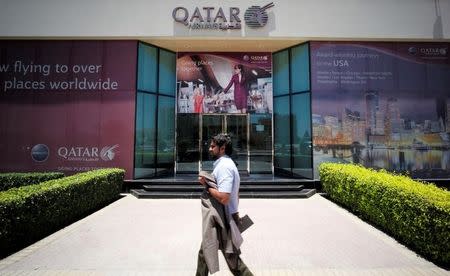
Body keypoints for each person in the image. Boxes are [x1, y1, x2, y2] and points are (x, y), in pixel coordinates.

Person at [196, 133, 253, 276]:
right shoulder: (226, 165)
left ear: (222, 148)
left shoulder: (225, 167)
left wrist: (207, 186)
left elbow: (224, 198)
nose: (209, 149)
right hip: (224, 216)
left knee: (233, 261)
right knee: (205, 253)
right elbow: (237, 194)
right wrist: (235, 212)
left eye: (213, 146)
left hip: (223, 218)